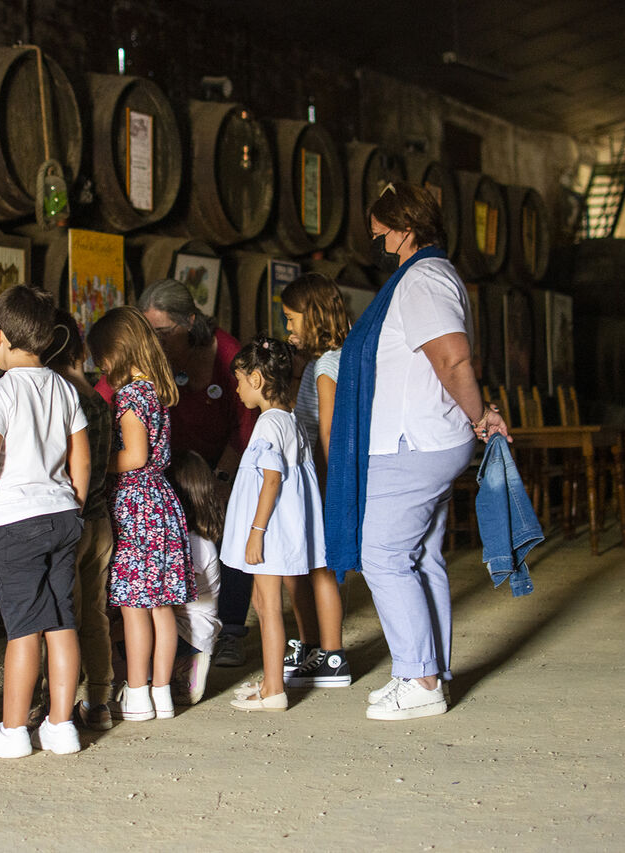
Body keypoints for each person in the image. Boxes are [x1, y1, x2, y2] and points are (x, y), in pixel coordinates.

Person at [325, 181, 508, 723]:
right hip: (423, 440)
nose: (376, 238)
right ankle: (420, 670)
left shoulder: (423, 278)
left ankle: (421, 678)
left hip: (413, 443)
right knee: (420, 557)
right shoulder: (428, 275)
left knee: (383, 555)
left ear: (405, 229)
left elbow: (452, 360)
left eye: (381, 228)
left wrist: (481, 416)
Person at [0, 285, 90, 758]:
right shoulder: (64, 387)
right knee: (61, 622)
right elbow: (81, 457)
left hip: (15, 523)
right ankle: (60, 725)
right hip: (62, 516)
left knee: (23, 629)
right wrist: (71, 503)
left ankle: (13, 731)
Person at [131, 278, 257, 669]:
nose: (155, 340)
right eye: (148, 332)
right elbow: (110, 390)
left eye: (163, 332)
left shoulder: (229, 353)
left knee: (232, 540)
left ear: (190, 320)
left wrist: (221, 479)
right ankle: (186, 631)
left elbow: (247, 424)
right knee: (183, 546)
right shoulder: (152, 353)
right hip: (172, 463)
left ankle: (232, 630)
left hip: (224, 461)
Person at [87, 306, 195, 722]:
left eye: (102, 357)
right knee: (163, 607)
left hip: (136, 505)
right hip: (161, 503)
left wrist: (97, 462)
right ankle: (162, 692)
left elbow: (134, 456)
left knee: (134, 607)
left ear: (117, 351)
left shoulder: (130, 397)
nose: (100, 366)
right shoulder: (155, 391)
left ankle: (136, 692)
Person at [222, 336, 326, 712]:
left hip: (269, 531)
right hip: (283, 528)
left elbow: (270, 481)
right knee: (263, 601)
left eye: (238, 379)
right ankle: (270, 679)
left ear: (257, 379)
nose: (235, 387)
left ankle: (274, 690)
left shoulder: (267, 425)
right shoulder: (290, 419)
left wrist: (256, 531)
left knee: (267, 607)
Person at [44, 309, 116, 731]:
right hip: (101, 521)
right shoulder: (98, 400)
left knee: (57, 616)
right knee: (95, 612)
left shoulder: (60, 400)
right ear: (81, 350)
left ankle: (59, 703)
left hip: (68, 521)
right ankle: (100, 701)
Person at [278, 272, 352, 689]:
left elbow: (327, 432)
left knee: (318, 568)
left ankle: (332, 654)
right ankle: (313, 649)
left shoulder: (326, 366)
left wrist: (324, 490)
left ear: (313, 315)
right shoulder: (332, 358)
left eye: (291, 319)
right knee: (302, 567)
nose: (288, 328)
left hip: (317, 481)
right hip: (315, 479)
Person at [165, 450, 223, 705]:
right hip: (186, 630)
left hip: (189, 631)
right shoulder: (198, 537)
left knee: (128, 629)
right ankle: (177, 669)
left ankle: (183, 665)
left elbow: (177, 596)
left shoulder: (194, 543)